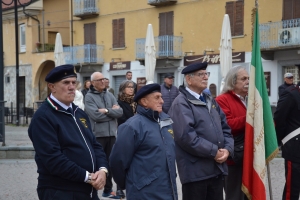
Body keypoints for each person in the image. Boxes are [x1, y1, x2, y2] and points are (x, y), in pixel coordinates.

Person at [28, 64, 109, 200]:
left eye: (73, 82)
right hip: (60, 191)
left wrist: (102, 170)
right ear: (52, 87)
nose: (72, 87)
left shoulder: (80, 113)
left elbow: (95, 145)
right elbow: (53, 159)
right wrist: (87, 177)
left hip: (88, 190)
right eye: (66, 83)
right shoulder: (43, 117)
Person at [168, 62, 234, 200]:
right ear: (189, 79)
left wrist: (227, 149)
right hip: (195, 174)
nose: (205, 77)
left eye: (206, 74)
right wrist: (214, 151)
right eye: (201, 74)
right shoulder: (181, 103)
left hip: (216, 169)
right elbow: (186, 137)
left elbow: (225, 128)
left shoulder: (210, 100)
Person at [109, 83, 178, 200]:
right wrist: (131, 184)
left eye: (161, 97)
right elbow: (117, 161)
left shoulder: (166, 122)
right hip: (144, 193)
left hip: (168, 190)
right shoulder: (131, 126)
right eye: (157, 97)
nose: (162, 101)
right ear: (144, 102)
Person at [84, 72, 123, 199]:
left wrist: (106, 111)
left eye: (104, 79)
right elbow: (95, 116)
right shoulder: (89, 97)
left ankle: (108, 190)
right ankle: (93, 190)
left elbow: (120, 112)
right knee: (97, 163)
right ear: (93, 82)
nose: (103, 82)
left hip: (112, 134)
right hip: (98, 135)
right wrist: (112, 113)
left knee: (111, 162)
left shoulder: (109, 94)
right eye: (100, 80)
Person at [215, 66, 249, 200]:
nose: (248, 81)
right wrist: (250, 118)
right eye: (244, 79)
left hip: (249, 155)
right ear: (233, 82)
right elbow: (227, 125)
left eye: (248, 78)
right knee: (235, 194)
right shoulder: (222, 100)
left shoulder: (250, 99)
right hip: (234, 157)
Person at [274, 81, 300, 200]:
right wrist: (284, 141)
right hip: (295, 149)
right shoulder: (290, 94)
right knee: (292, 190)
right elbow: (279, 120)